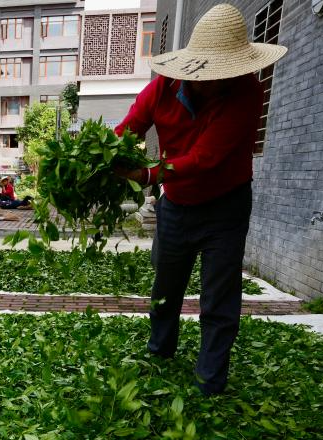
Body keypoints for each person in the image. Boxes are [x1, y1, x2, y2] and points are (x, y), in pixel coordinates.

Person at [113, 3, 286, 395]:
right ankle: (160, 353)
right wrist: (104, 157)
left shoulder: (246, 92)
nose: (216, 82)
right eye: (211, 74)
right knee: (165, 287)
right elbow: (130, 128)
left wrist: (145, 175)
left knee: (218, 297)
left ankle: (210, 380)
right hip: (176, 205)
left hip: (226, 205)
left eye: (224, 74)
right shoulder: (162, 87)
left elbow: (205, 158)